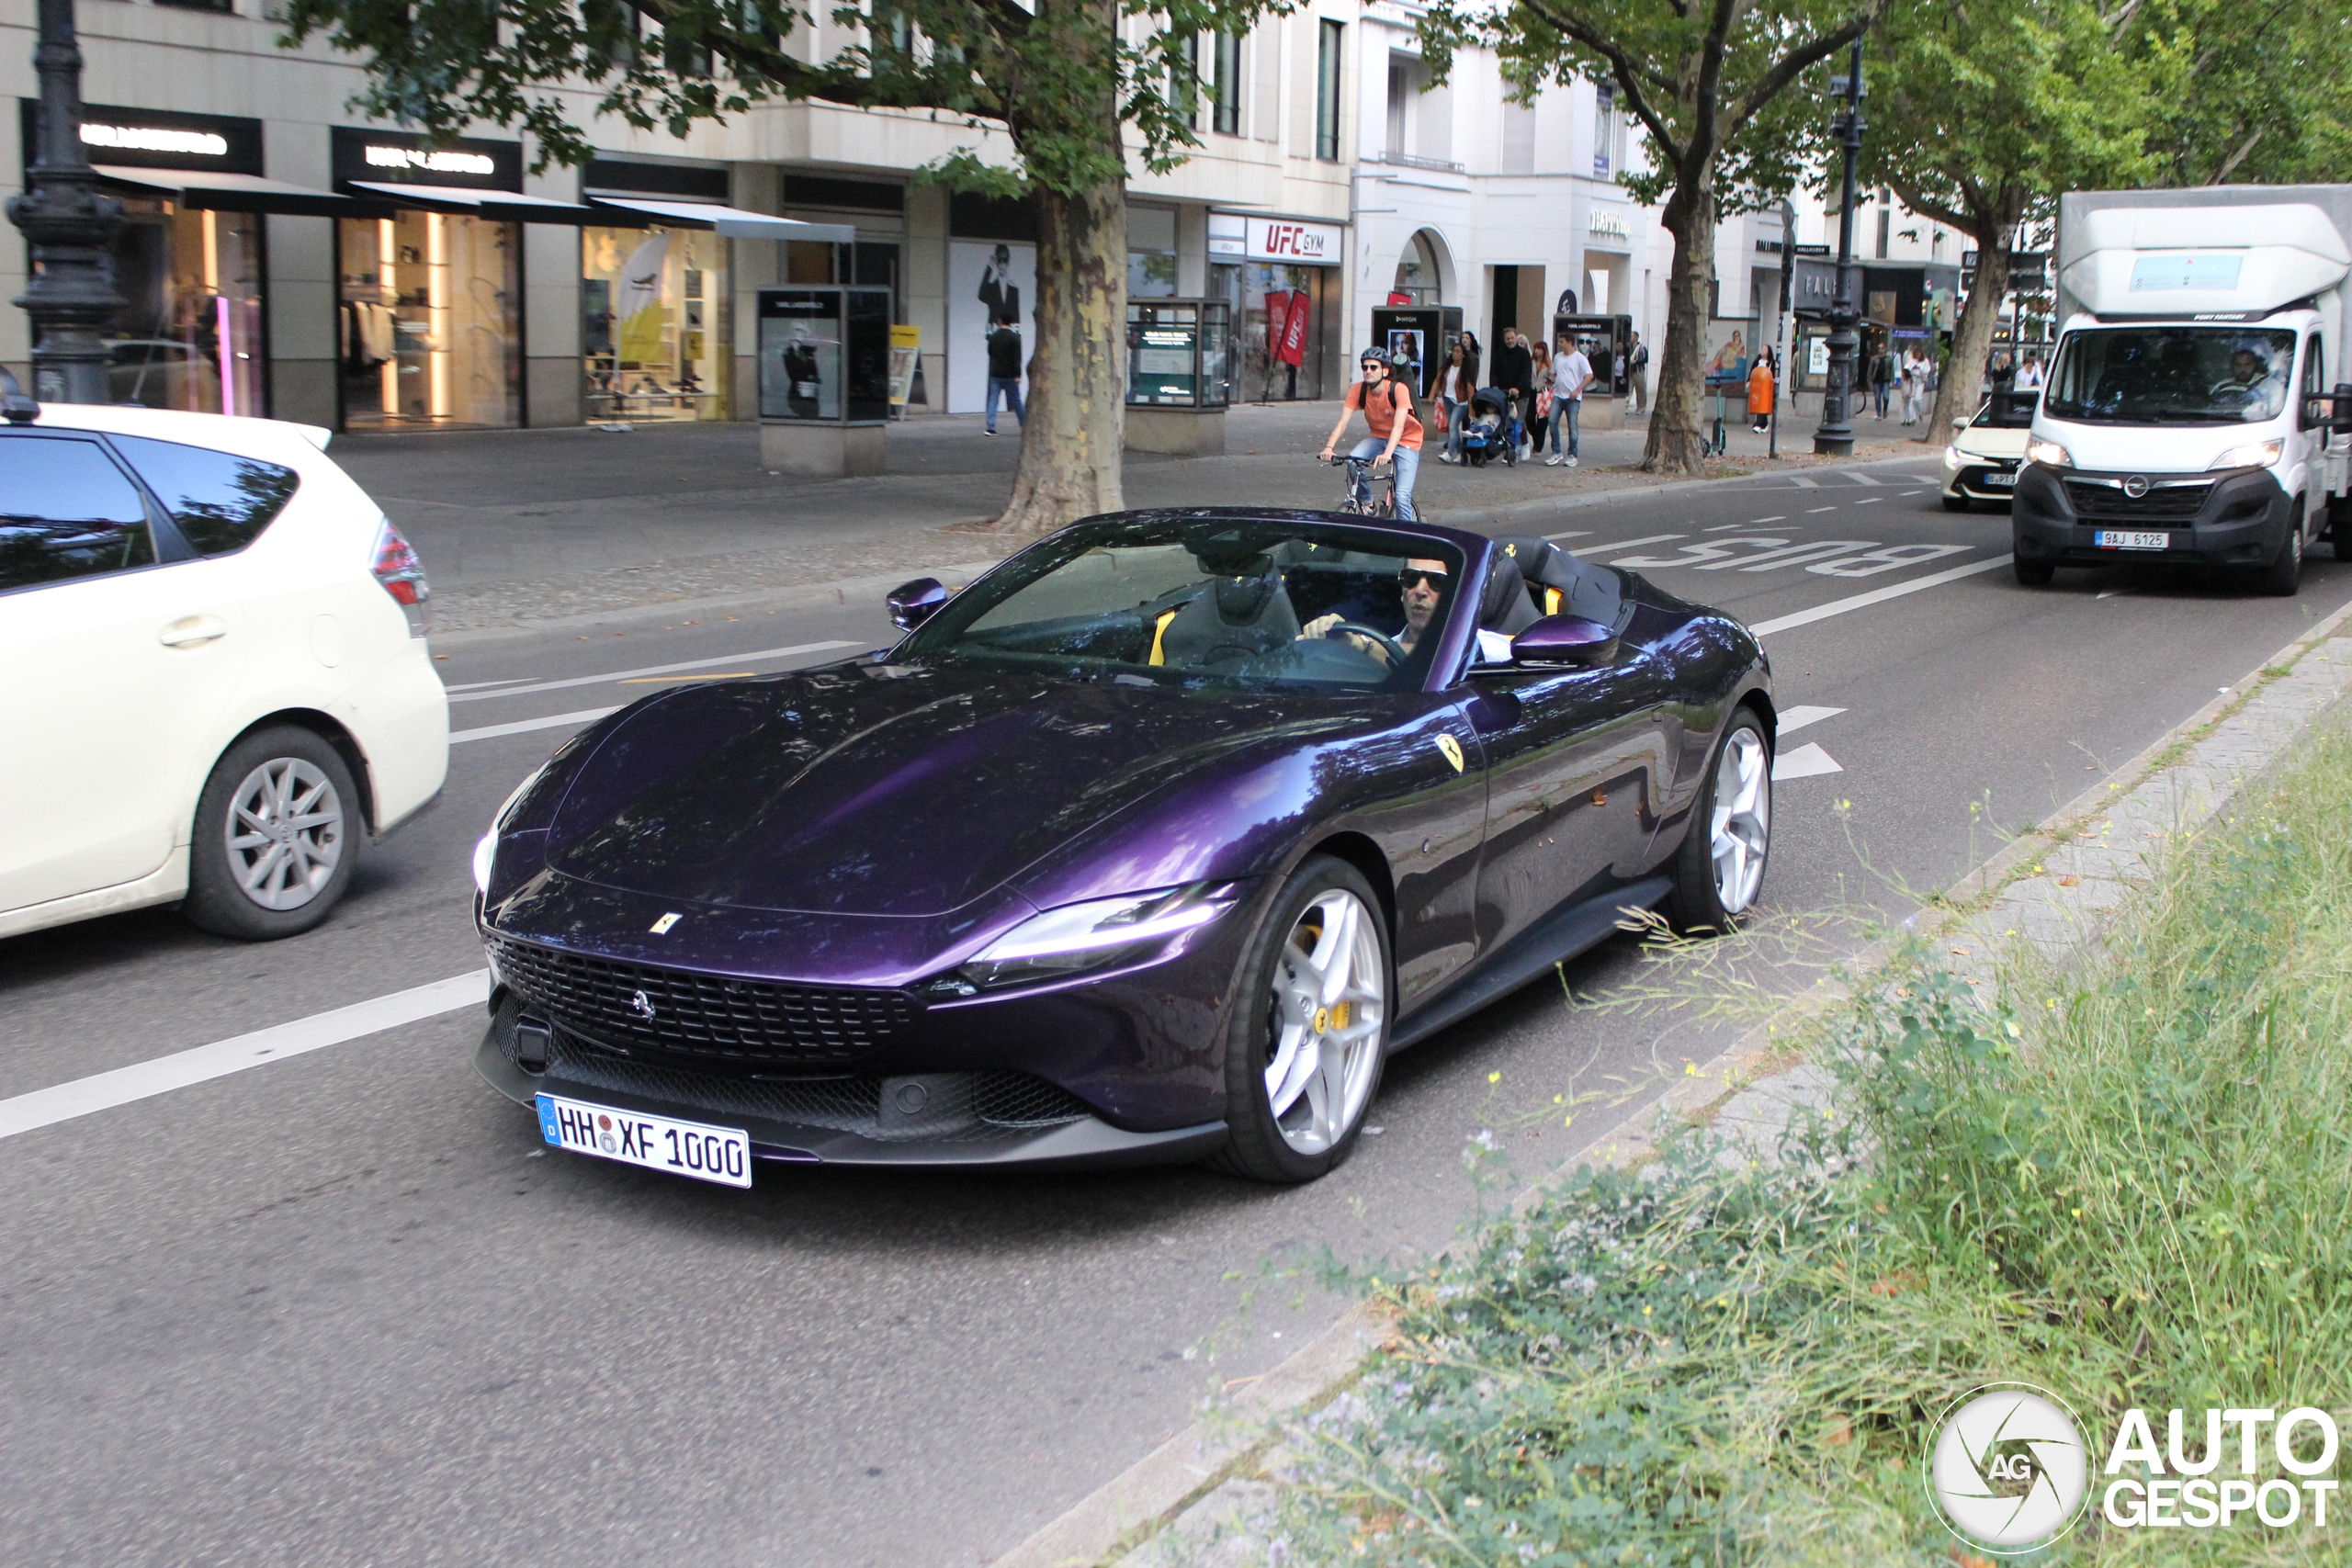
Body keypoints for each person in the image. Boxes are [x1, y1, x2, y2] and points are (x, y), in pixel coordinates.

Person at [1320, 345, 1425, 519]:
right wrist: (1329, 447)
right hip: (1378, 437)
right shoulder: (1358, 390)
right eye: (1365, 367)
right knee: (1352, 462)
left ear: (1384, 371)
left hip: (1407, 440)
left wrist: (1387, 453)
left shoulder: (1398, 390)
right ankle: (1368, 503)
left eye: (1373, 367)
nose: (1368, 371)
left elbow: (1399, 426)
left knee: (1402, 496)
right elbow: (1343, 422)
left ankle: (1408, 536)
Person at [1298, 557, 1449, 669]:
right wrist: (1319, 639)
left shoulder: (1470, 653)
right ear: (1402, 594)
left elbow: (1436, 658)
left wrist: (1356, 643)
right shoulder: (1383, 649)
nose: (1420, 590)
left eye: (1437, 581)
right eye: (1411, 578)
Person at [1547, 333, 1592, 467]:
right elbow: (1554, 373)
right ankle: (1556, 451)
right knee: (1552, 421)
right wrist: (1551, 380)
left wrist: (1578, 390)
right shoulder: (1558, 357)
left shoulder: (1579, 358)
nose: (1560, 344)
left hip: (1573, 397)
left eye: (1562, 341)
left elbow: (1589, 375)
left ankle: (1573, 454)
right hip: (1558, 395)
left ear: (1570, 342)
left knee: (1572, 426)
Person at [1490, 329, 1533, 456]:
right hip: (1504, 393)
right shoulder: (1500, 354)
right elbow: (1494, 371)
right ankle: (1508, 448)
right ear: (1504, 340)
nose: (1510, 341)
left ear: (1516, 337)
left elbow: (1526, 374)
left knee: (1518, 420)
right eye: (1507, 339)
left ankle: (1522, 444)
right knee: (1505, 420)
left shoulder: (1524, 354)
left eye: (1512, 338)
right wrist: (1494, 385)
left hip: (1521, 394)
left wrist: (1518, 388)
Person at [1435, 339, 1474, 464]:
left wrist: (1471, 405)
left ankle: (1449, 453)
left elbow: (1470, 388)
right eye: (1453, 351)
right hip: (1448, 399)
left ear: (1463, 354)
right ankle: (1461, 453)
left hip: (1461, 403)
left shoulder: (1466, 370)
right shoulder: (1447, 367)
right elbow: (1438, 380)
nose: (1455, 354)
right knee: (1454, 428)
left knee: (1452, 426)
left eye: (1458, 352)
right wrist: (1432, 395)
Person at [1527, 338, 1555, 457]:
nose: (1537, 351)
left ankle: (1538, 447)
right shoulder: (1530, 362)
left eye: (1539, 349)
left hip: (1543, 394)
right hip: (1532, 392)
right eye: (1536, 348)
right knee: (1529, 419)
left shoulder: (1549, 364)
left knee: (1542, 421)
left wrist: (1549, 383)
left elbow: (1554, 378)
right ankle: (1536, 438)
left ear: (1544, 351)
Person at [1747, 347, 1775, 433]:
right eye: (1762, 349)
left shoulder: (1771, 363)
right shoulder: (1757, 362)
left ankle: (1758, 424)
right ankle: (1764, 424)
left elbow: (1772, 374)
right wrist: (1749, 381)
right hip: (1757, 386)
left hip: (1766, 387)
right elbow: (1752, 372)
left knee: (1763, 404)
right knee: (1759, 404)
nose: (1762, 351)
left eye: (1765, 349)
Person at [1626, 331, 1649, 413]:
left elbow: (1645, 359)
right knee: (1628, 390)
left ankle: (1641, 408)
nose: (1630, 338)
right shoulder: (1628, 347)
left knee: (1640, 390)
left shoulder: (1642, 347)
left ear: (1636, 337)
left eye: (1632, 336)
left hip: (1639, 371)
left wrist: (1637, 361)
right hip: (1630, 371)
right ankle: (1625, 407)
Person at [1871, 344, 1896, 418]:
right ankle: (1879, 414)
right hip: (1877, 381)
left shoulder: (1889, 359)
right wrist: (1870, 380)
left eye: (1882, 348)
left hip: (1886, 380)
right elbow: (1870, 370)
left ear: (1885, 349)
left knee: (1886, 397)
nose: (1880, 350)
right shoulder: (1874, 359)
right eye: (1879, 348)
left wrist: (1892, 379)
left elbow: (1892, 370)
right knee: (1877, 398)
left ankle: (1885, 409)